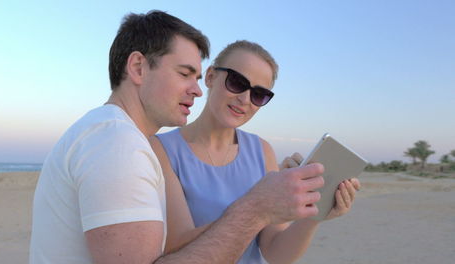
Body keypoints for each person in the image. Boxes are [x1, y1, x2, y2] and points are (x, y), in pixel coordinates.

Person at [29, 11, 325, 264]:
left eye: (260, 94)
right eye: (185, 74)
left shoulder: (113, 136)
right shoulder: (119, 145)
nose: (195, 90)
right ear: (137, 68)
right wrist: (258, 207)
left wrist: (308, 209)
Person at [151, 41, 361, 263]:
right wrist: (260, 205)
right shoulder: (161, 149)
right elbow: (176, 248)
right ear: (211, 76)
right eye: (237, 82)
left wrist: (313, 214)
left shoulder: (262, 150)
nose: (244, 100)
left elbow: (276, 254)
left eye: (258, 94)